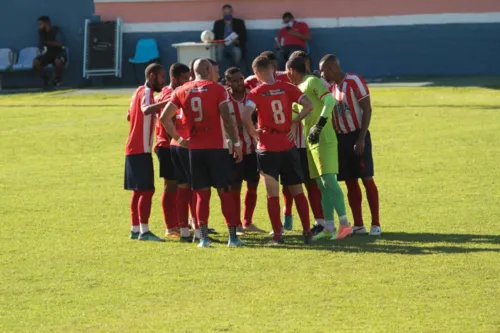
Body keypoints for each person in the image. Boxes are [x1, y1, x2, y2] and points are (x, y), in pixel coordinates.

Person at [160, 59, 245, 248]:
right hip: (216, 148)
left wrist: (180, 139)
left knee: (201, 194)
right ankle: (232, 237)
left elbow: (165, 117)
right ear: (208, 69)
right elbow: (227, 118)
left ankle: (203, 238)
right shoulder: (217, 89)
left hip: (195, 150)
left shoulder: (181, 90)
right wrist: (237, 143)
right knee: (224, 192)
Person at [242, 56, 314, 245]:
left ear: (257, 73)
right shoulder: (288, 88)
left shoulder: (256, 92)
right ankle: (307, 231)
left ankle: (277, 235)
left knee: (272, 194)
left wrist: (253, 132)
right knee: (297, 190)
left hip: (268, 146)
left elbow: (245, 115)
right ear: (273, 69)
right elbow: (309, 105)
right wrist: (294, 123)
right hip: (288, 145)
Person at [287, 56, 353, 240]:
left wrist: (319, 125)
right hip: (311, 141)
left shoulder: (312, 81)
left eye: (288, 72)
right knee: (322, 186)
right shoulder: (297, 90)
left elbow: (330, 101)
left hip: (324, 138)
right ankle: (329, 227)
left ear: (292, 70)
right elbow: (294, 114)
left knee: (330, 181)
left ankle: (345, 225)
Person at [320, 54, 381, 236]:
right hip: (341, 139)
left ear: (331, 68)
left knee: (366, 178)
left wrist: (361, 138)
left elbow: (367, 109)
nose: (322, 75)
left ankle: (376, 223)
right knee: (350, 181)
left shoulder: (354, 81)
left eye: (323, 71)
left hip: (357, 135)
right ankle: (359, 224)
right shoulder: (332, 88)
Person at [125, 63, 168, 242]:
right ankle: (145, 231)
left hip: (132, 148)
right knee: (147, 190)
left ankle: (135, 229)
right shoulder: (148, 93)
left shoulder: (137, 91)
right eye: (161, 77)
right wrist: (171, 102)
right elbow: (146, 109)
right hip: (141, 149)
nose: (163, 81)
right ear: (152, 76)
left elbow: (129, 116)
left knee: (138, 191)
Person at [224, 67, 266, 234]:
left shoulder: (252, 95)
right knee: (235, 187)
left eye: (240, 79)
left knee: (253, 186)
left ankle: (247, 221)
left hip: (253, 149)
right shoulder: (224, 100)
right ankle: (236, 224)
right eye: (234, 80)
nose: (239, 83)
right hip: (234, 151)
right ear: (228, 83)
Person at [155, 63, 191, 239]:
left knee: (181, 184)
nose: (188, 81)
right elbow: (166, 120)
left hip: (175, 145)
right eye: (185, 78)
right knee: (171, 185)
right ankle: (171, 226)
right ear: (174, 78)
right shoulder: (170, 94)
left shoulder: (172, 93)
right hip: (167, 145)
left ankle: (181, 223)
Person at [34, 16, 66, 87]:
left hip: (58, 52)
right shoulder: (41, 32)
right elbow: (41, 44)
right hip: (47, 54)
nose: (39, 26)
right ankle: (46, 79)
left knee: (58, 61)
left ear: (46, 23)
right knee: (36, 62)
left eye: (40, 24)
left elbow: (59, 43)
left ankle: (58, 79)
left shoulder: (56, 30)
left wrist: (47, 43)